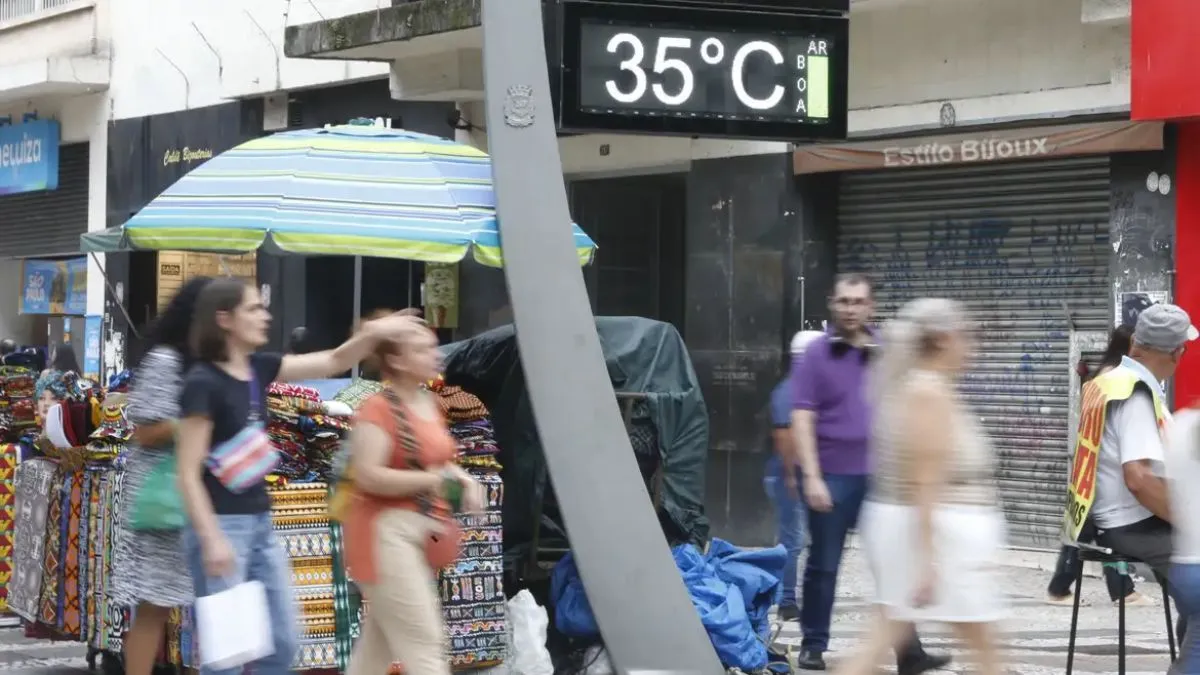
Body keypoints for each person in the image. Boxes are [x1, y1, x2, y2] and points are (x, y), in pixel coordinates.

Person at [175, 277, 426, 675]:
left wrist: (376, 331)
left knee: (284, 642)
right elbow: (187, 473)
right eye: (254, 308)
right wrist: (212, 539)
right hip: (221, 526)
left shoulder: (259, 368)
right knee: (228, 654)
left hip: (259, 522)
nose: (265, 315)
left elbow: (332, 362)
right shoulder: (202, 384)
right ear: (224, 319)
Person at [834, 298, 1006, 675]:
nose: (971, 344)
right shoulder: (928, 393)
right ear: (943, 339)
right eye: (966, 335)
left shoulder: (922, 388)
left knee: (887, 632)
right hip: (938, 533)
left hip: (928, 530)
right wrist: (928, 559)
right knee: (983, 644)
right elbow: (925, 481)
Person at [790, 274, 948, 673]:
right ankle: (813, 646)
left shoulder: (886, 351)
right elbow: (802, 417)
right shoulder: (816, 354)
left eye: (858, 301)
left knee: (893, 564)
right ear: (832, 304)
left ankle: (909, 652)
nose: (850, 308)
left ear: (870, 306)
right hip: (832, 477)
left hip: (882, 479)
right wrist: (811, 476)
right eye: (843, 301)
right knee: (824, 565)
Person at [342, 323, 485, 675]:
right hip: (384, 534)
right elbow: (368, 475)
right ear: (396, 360)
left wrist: (464, 479)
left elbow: (438, 458)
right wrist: (433, 480)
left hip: (416, 533)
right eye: (422, 349)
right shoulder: (377, 409)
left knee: (377, 649)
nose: (434, 355)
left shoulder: (428, 401)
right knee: (425, 644)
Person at [111, 276, 214, 675]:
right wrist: (196, 421)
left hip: (195, 495)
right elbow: (145, 431)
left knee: (197, 603)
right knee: (155, 606)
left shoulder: (207, 362)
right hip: (163, 497)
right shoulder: (166, 360)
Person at [1083, 304, 1195, 585]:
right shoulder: (1136, 394)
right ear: (1177, 353)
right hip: (1132, 523)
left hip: (1113, 518)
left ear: (1135, 342)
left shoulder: (1110, 381)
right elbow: (1139, 480)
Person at [1046, 324, 1148, 606]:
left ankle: (1062, 587)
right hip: (1101, 471)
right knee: (1097, 532)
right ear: (1128, 347)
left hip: (1093, 469)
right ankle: (1119, 590)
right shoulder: (1114, 380)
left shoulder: (1104, 377)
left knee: (1086, 532)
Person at [765, 330, 824, 621]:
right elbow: (784, 436)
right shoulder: (791, 390)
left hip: (793, 475)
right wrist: (790, 477)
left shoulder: (801, 389)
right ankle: (786, 601)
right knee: (793, 539)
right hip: (787, 475)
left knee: (793, 538)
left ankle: (782, 594)